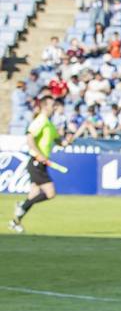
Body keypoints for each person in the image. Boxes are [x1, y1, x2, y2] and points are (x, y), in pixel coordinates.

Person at [10, 96, 64, 233]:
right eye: (52, 105)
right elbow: (29, 138)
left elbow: (58, 141)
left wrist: (65, 141)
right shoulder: (40, 120)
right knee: (50, 193)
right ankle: (22, 205)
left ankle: (15, 222)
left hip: (41, 163)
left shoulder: (49, 123)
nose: (55, 107)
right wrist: (38, 154)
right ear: (45, 106)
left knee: (33, 194)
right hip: (36, 162)